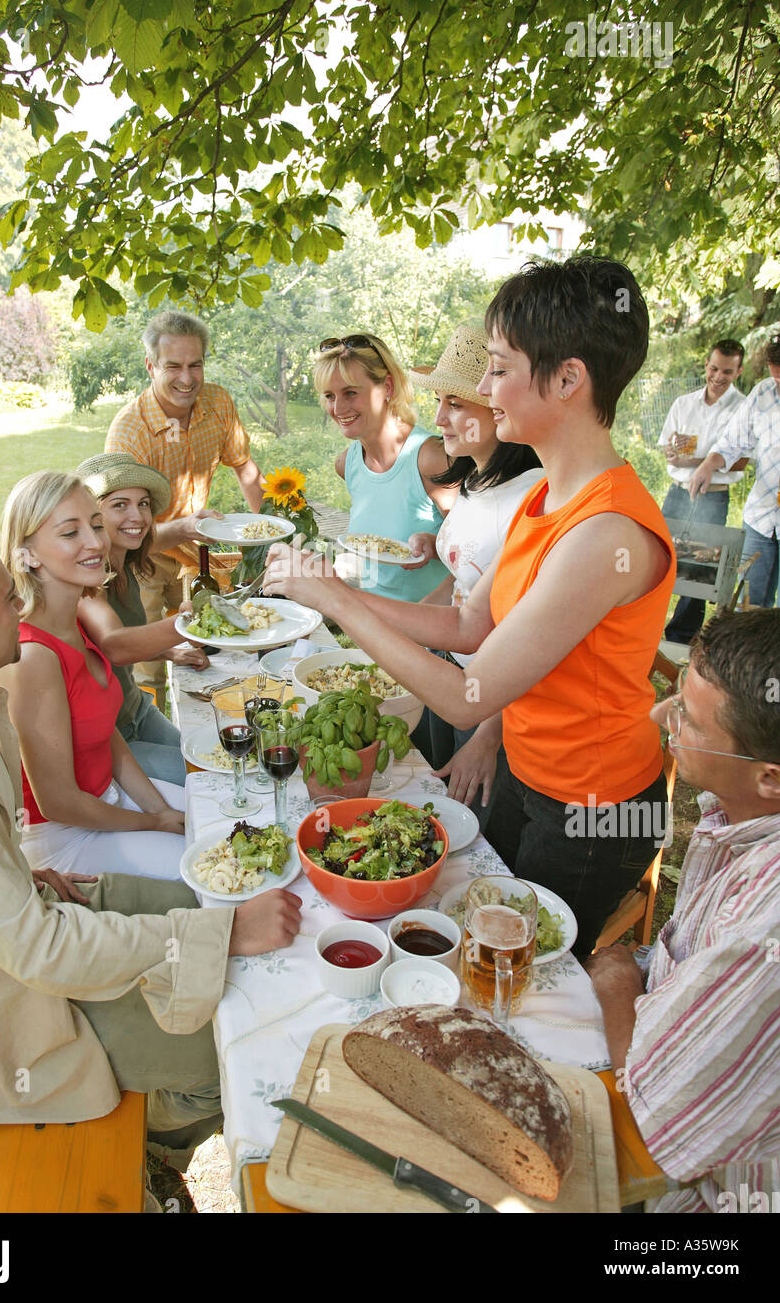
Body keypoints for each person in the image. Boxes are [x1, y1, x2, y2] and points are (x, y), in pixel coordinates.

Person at [265, 257, 675, 957]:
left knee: (520, 974)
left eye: (496, 368)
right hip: (528, 770)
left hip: (594, 809)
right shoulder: (546, 496)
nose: (482, 389)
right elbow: (467, 626)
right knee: (471, 932)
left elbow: (465, 696)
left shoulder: (604, 532)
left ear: (567, 379)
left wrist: (334, 597)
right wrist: (342, 593)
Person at [0, 517, 300, 1153]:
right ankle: (143, 1148)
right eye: (9, 597)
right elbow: (41, 951)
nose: (21, 608)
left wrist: (17, 875)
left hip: (25, 929)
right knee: (235, 1047)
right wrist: (227, 936)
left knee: (215, 911)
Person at [586, 609, 780, 1213]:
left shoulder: (769, 931)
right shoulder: (742, 812)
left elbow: (653, 1114)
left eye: (687, 720)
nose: (658, 716)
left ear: (773, 777)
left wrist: (621, 980)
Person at [0, 471, 188, 882]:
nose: (97, 542)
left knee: (212, 818)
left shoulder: (75, 616)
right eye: (71, 532)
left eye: (96, 524)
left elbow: (109, 736)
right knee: (204, 871)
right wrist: (154, 823)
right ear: (28, 554)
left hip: (109, 800)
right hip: (64, 836)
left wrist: (160, 810)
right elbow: (59, 803)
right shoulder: (32, 656)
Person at [403, 322, 542, 822]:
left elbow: (532, 633)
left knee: (476, 829)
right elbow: (470, 583)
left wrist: (487, 737)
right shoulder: (475, 477)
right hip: (450, 673)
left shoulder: (533, 493)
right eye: (440, 400)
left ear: (498, 403)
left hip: (493, 703)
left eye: (455, 404)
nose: (439, 417)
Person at [105, 309, 265, 706]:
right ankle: (150, 735)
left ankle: (214, 732)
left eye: (196, 365)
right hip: (142, 554)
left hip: (197, 551)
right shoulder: (130, 432)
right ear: (150, 366)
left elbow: (245, 467)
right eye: (173, 365)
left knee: (208, 649)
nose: (187, 378)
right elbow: (119, 531)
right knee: (146, 665)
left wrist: (268, 533)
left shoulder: (217, 402)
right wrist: (183, 528)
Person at [75, 452, 206, 787]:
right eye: (120, 505)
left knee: (207, 759)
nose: (137, 516)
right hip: (109, 740)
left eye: (144, 504)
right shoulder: (84, 576)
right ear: (91, 515)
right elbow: (114, 646)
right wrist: (191, 622)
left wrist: (191, 526)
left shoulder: (125, 553)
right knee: (201, 779)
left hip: (135, 710)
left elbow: (153, 535)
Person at [313, 332, 456, 601]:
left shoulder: (430, 458)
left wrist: (434, 549)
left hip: (429, 630)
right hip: (370, 624)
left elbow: (475, 556)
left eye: (350, 393)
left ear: (387, 387)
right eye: (330, 396)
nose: (338, 407)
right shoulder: (347, 464)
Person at [691, 330, 780, 608]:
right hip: (761, 517)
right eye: (776, 377)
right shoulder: (763, 393)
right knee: (747, 603)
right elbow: (733, 441)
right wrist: (710, 463)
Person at [657, 340, 747, 643]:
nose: (718, 377)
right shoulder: (684, 403)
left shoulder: (744, 408)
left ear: (739, 371)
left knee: (698, 571)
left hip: (714, 495)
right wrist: (673, 454)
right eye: (713, 368)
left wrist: (697, 461)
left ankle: (679, 639)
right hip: (678, 492)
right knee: (659, 559)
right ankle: (647, 631)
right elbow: (669, 445)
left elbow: (743, 461)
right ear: (706, 366)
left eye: (727, 371)